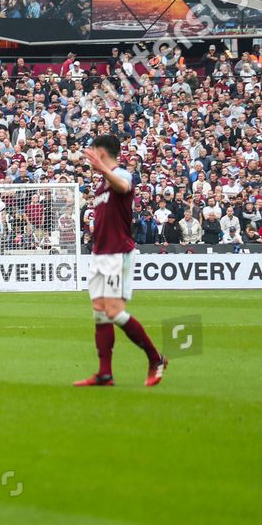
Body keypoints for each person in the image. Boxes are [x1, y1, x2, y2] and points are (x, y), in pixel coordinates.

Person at [75, 134, 166, 387]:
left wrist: (103, 168)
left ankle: (156, 358)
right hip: (100, 254)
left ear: (102, 153)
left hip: (118, 253)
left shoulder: (121, 174)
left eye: (93, 152)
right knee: (100, 314)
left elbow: (124, 187)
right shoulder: (101, 185)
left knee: (114, 312)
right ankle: (105, 374)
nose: (90, 157)